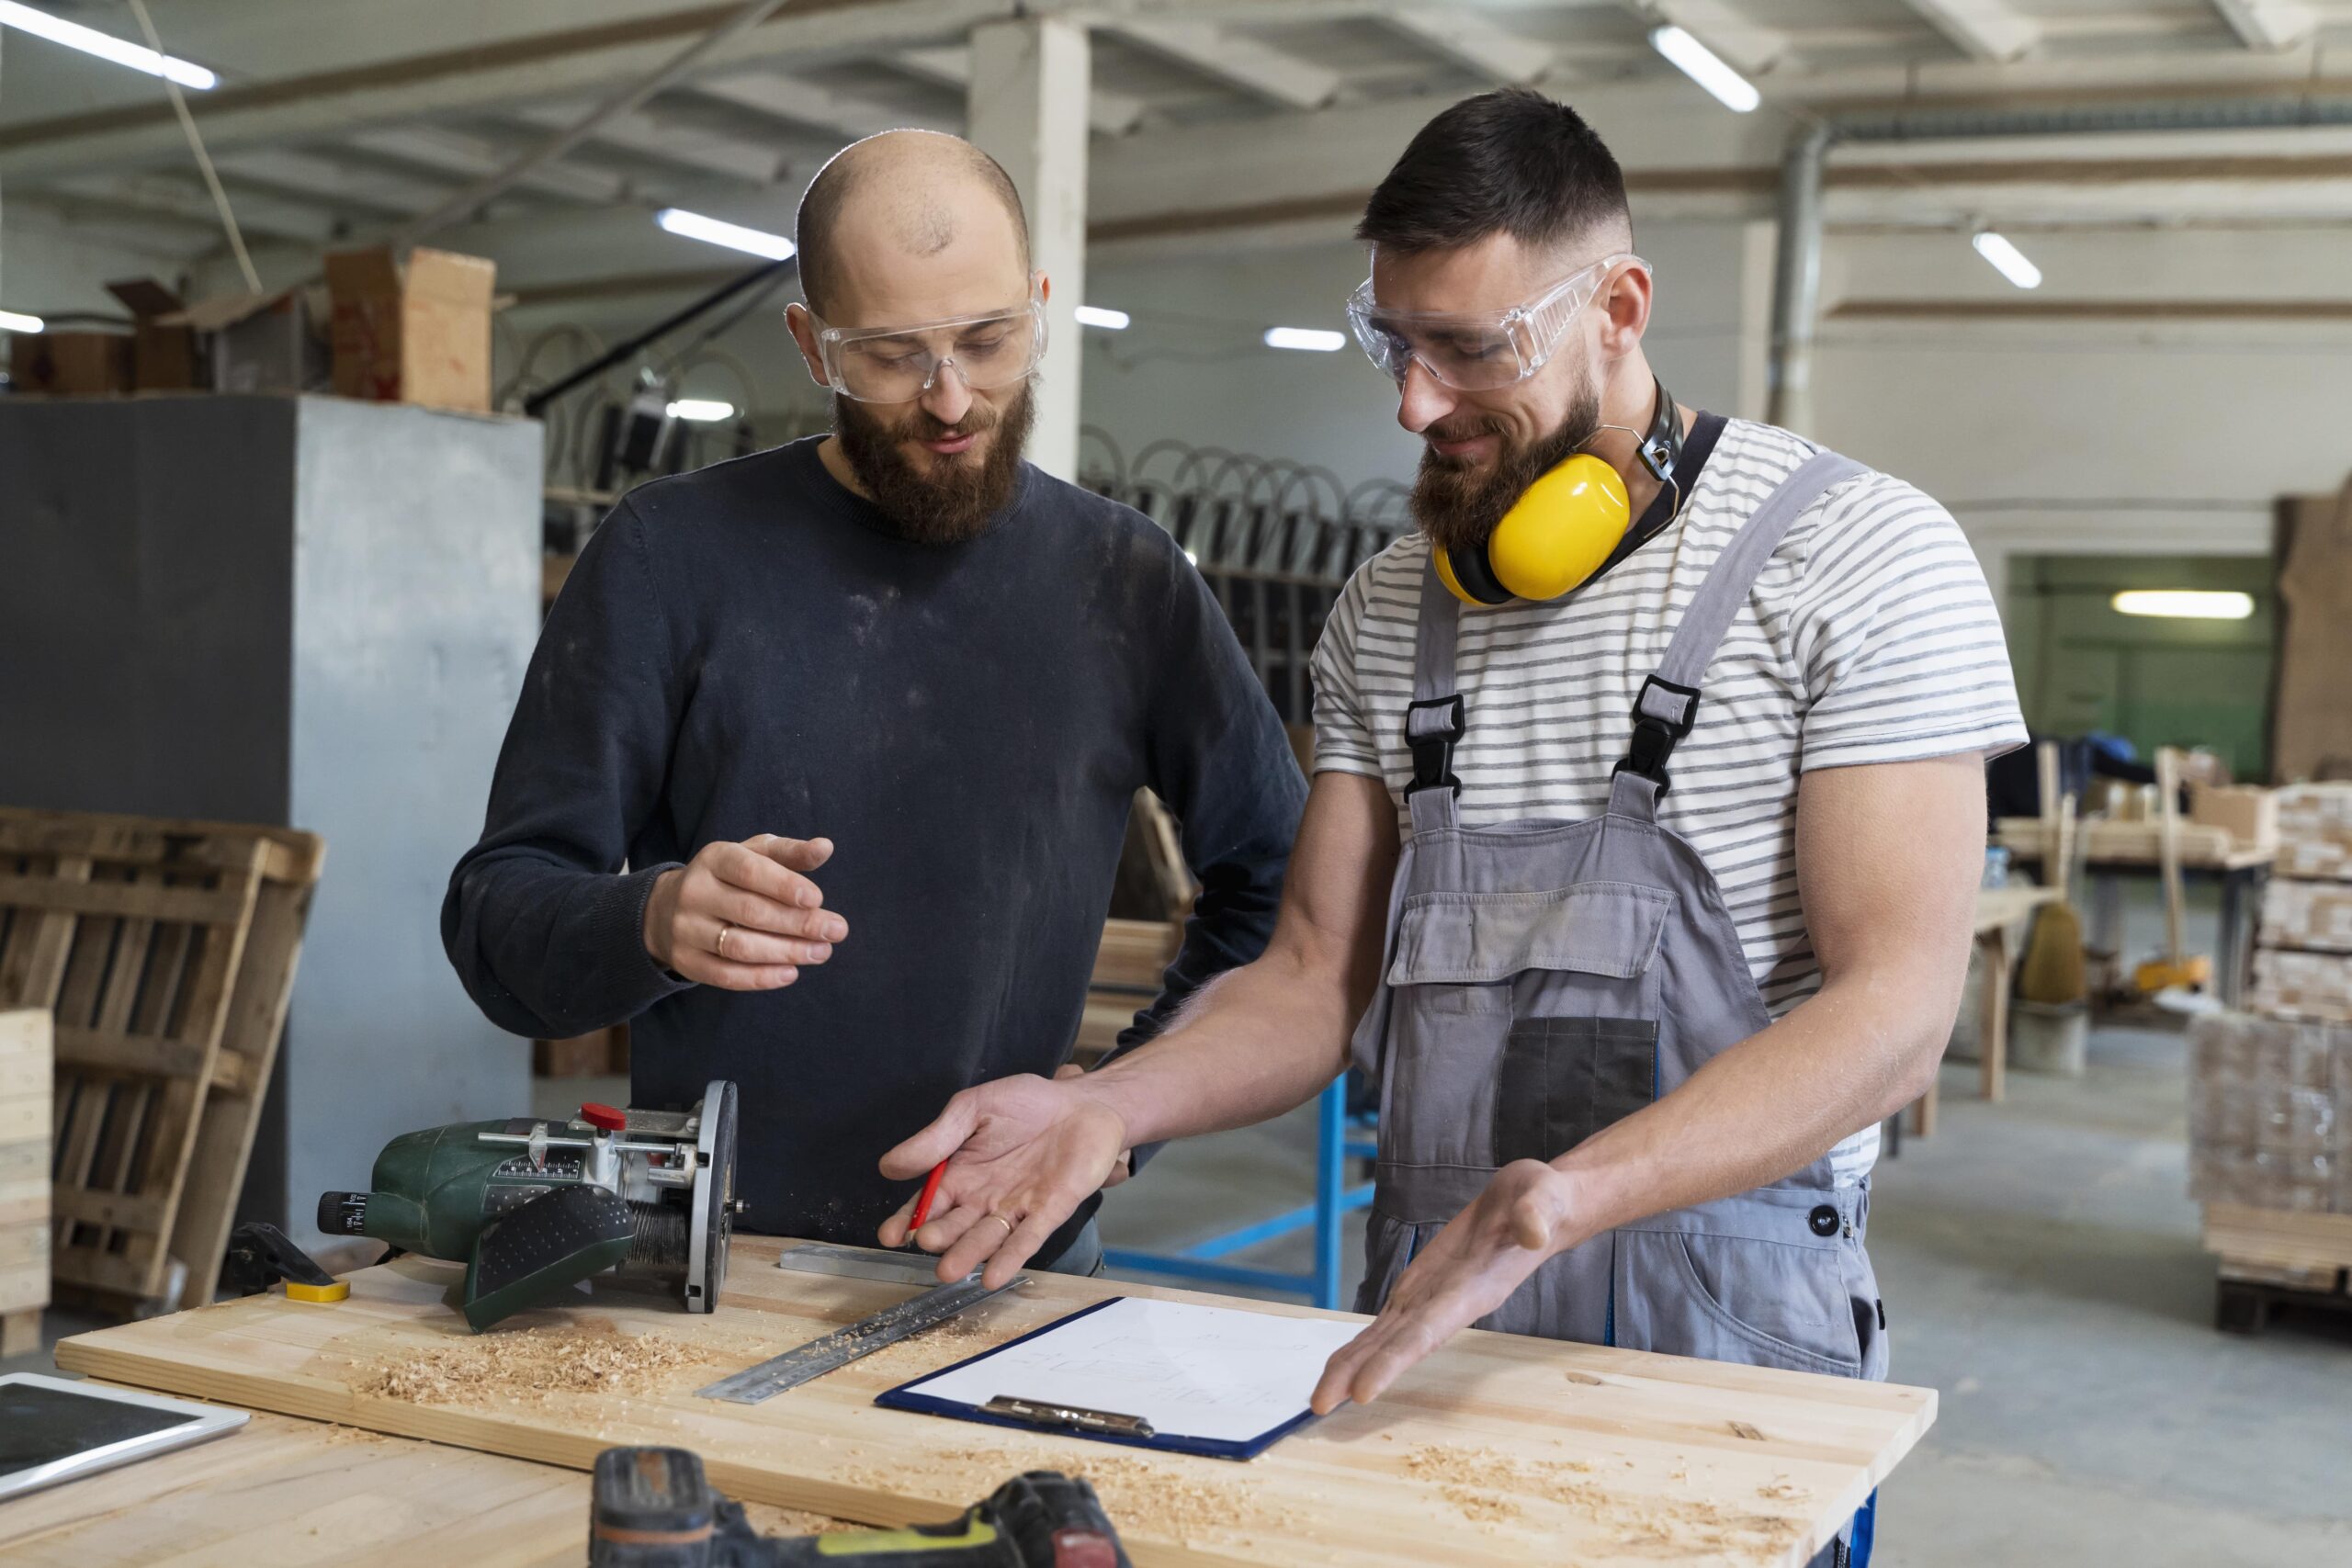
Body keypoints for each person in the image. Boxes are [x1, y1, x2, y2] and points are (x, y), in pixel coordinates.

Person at [876, 87, 2026, 1556]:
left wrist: (1562, 1199)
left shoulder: (1859, 556)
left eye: (1471, 349)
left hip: (1726, 1342)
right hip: (1425, 1333)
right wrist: (1113, 1101)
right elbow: (1310, 977)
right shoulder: (1390, 608)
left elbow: (1896, 1013)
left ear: (1618, 303)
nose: (1415, 404)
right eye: (1393, 344)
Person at [442, 130, 1306, 1275]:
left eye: (990, 341)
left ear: (1039, 306)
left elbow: (1285, 893)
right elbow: (497, 921)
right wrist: (647, 921)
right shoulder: (670, 556)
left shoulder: (1128, 581)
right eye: (894, 356)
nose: (952, 399)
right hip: (712, 1266)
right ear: (812, 344)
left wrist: (1119, 1103)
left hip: (1008, 1269)